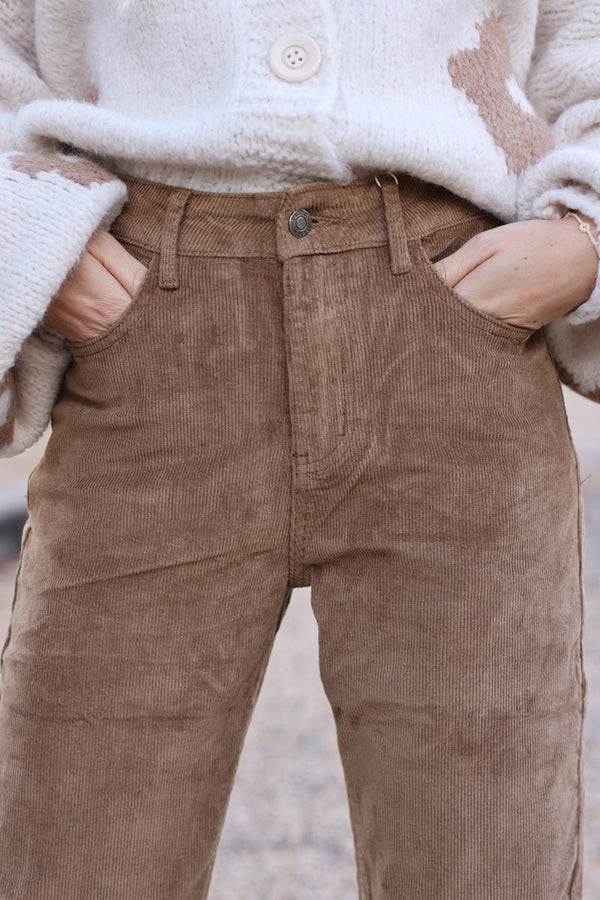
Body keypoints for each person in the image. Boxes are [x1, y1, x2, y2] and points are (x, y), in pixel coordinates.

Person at [0, 1, 599, 896]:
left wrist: (585, 237)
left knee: (484, 868)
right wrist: (27, 224)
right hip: (146, 342)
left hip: (457, 344)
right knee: (74, 863)